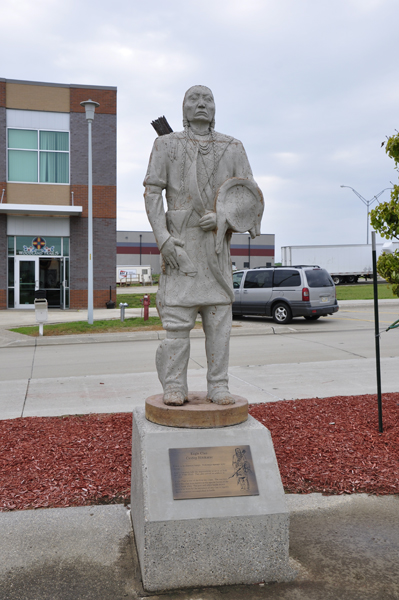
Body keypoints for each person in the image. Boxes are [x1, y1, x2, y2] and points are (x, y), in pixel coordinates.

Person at [144, 85, 261, 406]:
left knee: (219, 323)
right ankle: (174, 384)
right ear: (183, 108)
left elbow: (250, 198)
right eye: (193, 99)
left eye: (206, 99)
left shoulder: (233, 148)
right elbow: (152, 194)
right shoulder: (165, 145)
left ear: (215, 107)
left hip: (215, 251)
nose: (200, 104)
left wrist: (223, 216)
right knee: (178, 326)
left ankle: (219, 384)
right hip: (180, 248)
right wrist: (163, 240)